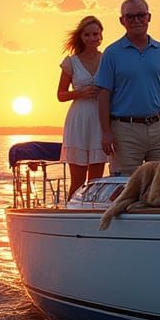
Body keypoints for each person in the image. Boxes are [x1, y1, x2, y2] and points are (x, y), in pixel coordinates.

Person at [95, 0, 160, 176]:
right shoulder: (111, 53)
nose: (136, 20)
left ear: (149, 17)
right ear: (122, 21)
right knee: (126, 186)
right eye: (130, 17)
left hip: (159, 127)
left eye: (141, 15)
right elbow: (103, 94)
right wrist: (106, 132)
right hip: (124, 130)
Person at [57, 15, 108, 198]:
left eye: (95, 34)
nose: (92, 38)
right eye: (87, 34)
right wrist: (81, 92)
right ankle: (70, 214)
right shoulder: (71, 62)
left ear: (101, 35)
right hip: (78, 119)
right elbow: (60, 95)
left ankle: (92, 217)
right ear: (81, 37)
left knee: (96, 182)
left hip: (101, 119)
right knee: (77, 181)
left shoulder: (108, 59)